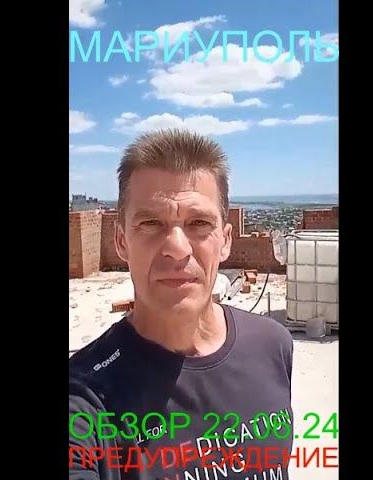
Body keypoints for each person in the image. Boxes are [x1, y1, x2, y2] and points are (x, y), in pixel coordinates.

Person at [69, 129, 294, 480]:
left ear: (225, 240)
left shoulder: (273, 345)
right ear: (121, 241)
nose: (177, 248)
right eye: (151, 223)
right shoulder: (85, 400)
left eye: (199, 223)